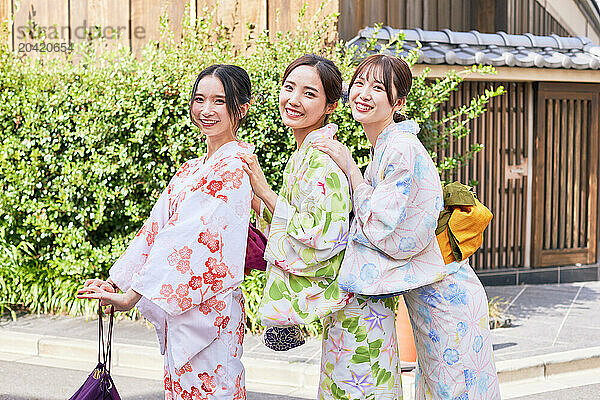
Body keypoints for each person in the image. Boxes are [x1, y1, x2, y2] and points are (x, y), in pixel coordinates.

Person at [313, 54, 501, 400]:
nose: (364, 93)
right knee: (438, 388)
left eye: (378, 87)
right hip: (433, 286)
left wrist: (349, 168)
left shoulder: (400, 148)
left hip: (447, 293)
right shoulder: (388, 145)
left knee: (455, 390)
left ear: (398, 102)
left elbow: (384, 227)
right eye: (359, 83)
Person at [78, 64, 255, 400]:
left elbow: (189, 240)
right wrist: (117, 283)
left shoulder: (235, 166)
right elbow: (156, 228)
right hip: (182, 310)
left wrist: (133, 296)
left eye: (219, 101)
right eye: (200, 99)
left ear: (242, 108)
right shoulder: (191, 168)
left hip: (210, 312)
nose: (206, 110)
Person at [242, 54, 402, 400]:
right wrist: (254, 197)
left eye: (309, 94)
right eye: (289, 88)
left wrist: (265, 192)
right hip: (349, 310)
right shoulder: (305, 154)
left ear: (331, 105)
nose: (294, 100)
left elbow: (320, 238)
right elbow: (296, 221)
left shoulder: (322, 159)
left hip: (360, 310)